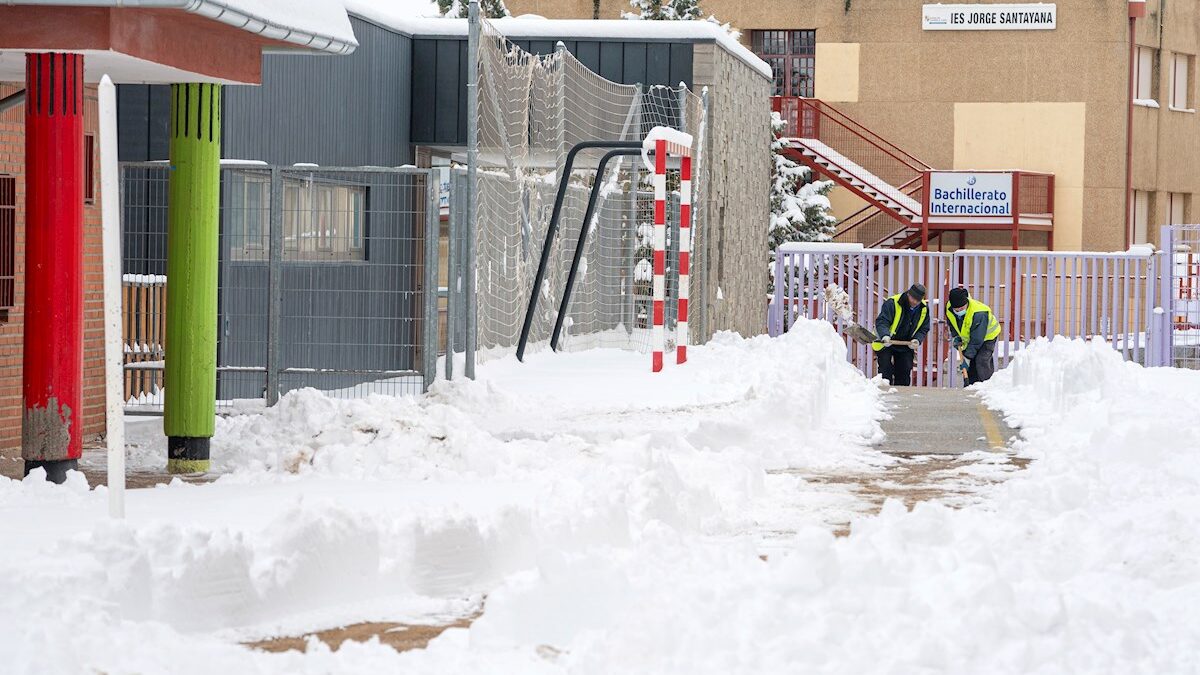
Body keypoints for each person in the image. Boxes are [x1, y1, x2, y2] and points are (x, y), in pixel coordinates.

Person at [873, 283, 930, 386]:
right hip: (887, 341)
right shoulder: (892, 303)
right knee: (885, 371)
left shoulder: (923, 309)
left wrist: (917, 339)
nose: (914, 302)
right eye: (913, 298)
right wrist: (885, 335)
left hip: (905, 343)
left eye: (918, 300)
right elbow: (882, 321)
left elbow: (924, 328)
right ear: (908, 294)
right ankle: (885, 397)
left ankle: (902, 398)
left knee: (904, 371)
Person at [946, 286, 1002, 384]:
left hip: (988, 336)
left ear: (966, 303)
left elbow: (977, 340)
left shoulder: (979, 313)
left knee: (981, 360)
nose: (959, 311)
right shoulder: (949, 308)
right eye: (956, 309)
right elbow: (952, 323)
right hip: (972, 338)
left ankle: (986, 386)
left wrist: (966, 358)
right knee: (971, 363)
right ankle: (970, 386)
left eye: (961, 308)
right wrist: (956, 336)